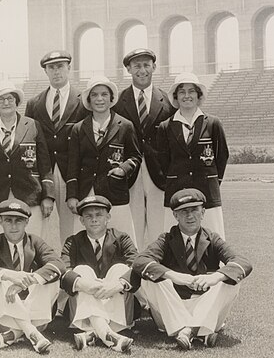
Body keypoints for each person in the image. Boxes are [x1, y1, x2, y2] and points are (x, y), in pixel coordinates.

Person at [133, 188, 252, 350]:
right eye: (183, 211)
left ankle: (187, 331)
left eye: (194, 210)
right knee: (153, 279)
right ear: (175, 215)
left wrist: (214, 277)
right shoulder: (167, 239)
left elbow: (242, 262)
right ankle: (202, 331)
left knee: (230, 279)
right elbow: (140, 261)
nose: (190, 216)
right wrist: (175, 276)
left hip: (204, 304)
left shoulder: (212, 238)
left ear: (203, 213)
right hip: (172, 309)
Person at [0, 199, 65, 353]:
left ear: (26, 222)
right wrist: (11, 275)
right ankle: (31, 333)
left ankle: (15, 334)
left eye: (19, 221)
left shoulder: (35, 242)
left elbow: (58, 265)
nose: (13, 226)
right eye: (8, 220)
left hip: (36, 314)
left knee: (49, 279)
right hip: (2, 318)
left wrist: (24, 281)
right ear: (0, 221)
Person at [0, 81, 55, 239]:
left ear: (17, 102)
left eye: (10, 98)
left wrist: (47, 197)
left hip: (30, 195)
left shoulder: (33, 126)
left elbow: (45, 165)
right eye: (1, 99)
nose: (6, 103)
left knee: (33, 242)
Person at [66, 76, 141, 245]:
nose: (99, 99)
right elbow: (73, 164)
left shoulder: (125, 125)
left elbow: (135, 156)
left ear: (111, 98)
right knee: (86, 242)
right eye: (94, 95)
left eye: (104, 94)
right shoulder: (78, 129)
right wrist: (72, 195)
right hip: (87, 192)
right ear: (89, 100)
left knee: (121, 240)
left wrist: (123, 169)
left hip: (115, 192)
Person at [25, 50, 88, 248]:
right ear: (45, 71)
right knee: (38, 225)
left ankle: (72, 267)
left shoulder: (83, 100)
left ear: (69, 67)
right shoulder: (34, 103)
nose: (56, 71)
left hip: (72, 170)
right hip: (44, 171)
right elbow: (28, 140)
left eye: (60, 66)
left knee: (71, 226)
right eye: (51, 67)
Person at [113, 48, 175, 249]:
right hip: (130, 172)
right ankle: (133, 273)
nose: (142, 70)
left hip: (158, 172)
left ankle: (159, 272)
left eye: (146, 65)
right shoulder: (118, 102)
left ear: (154, 67)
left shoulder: (167, 101)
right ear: (129, 69)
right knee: (132, 229)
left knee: (160, 228)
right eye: (137, 66)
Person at [60, 196, 137, 353]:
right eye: (88, 216)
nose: (94, 220)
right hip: (85, 305)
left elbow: (136, 266)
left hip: (116, 305)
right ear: (81, 220)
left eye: (99, 215)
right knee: (81, 270)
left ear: (108, 217)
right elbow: (63, 271)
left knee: (121, 269)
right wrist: (87, 285)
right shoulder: (73, 241)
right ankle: (108, 335)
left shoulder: (121, 238)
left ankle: (93, 334)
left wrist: (114, 285)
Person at [157, 72, 229, 238]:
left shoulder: (213, 123)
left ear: (199, 95)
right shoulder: (165, 127)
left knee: (213, 238)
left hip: (207, 192)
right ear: (175, 97)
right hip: (177, 192)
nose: (187, 96)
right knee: (175, 241)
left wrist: (213, 181)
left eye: (191, 91)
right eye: (182, 92)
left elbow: (222, 156)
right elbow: (162, 161)